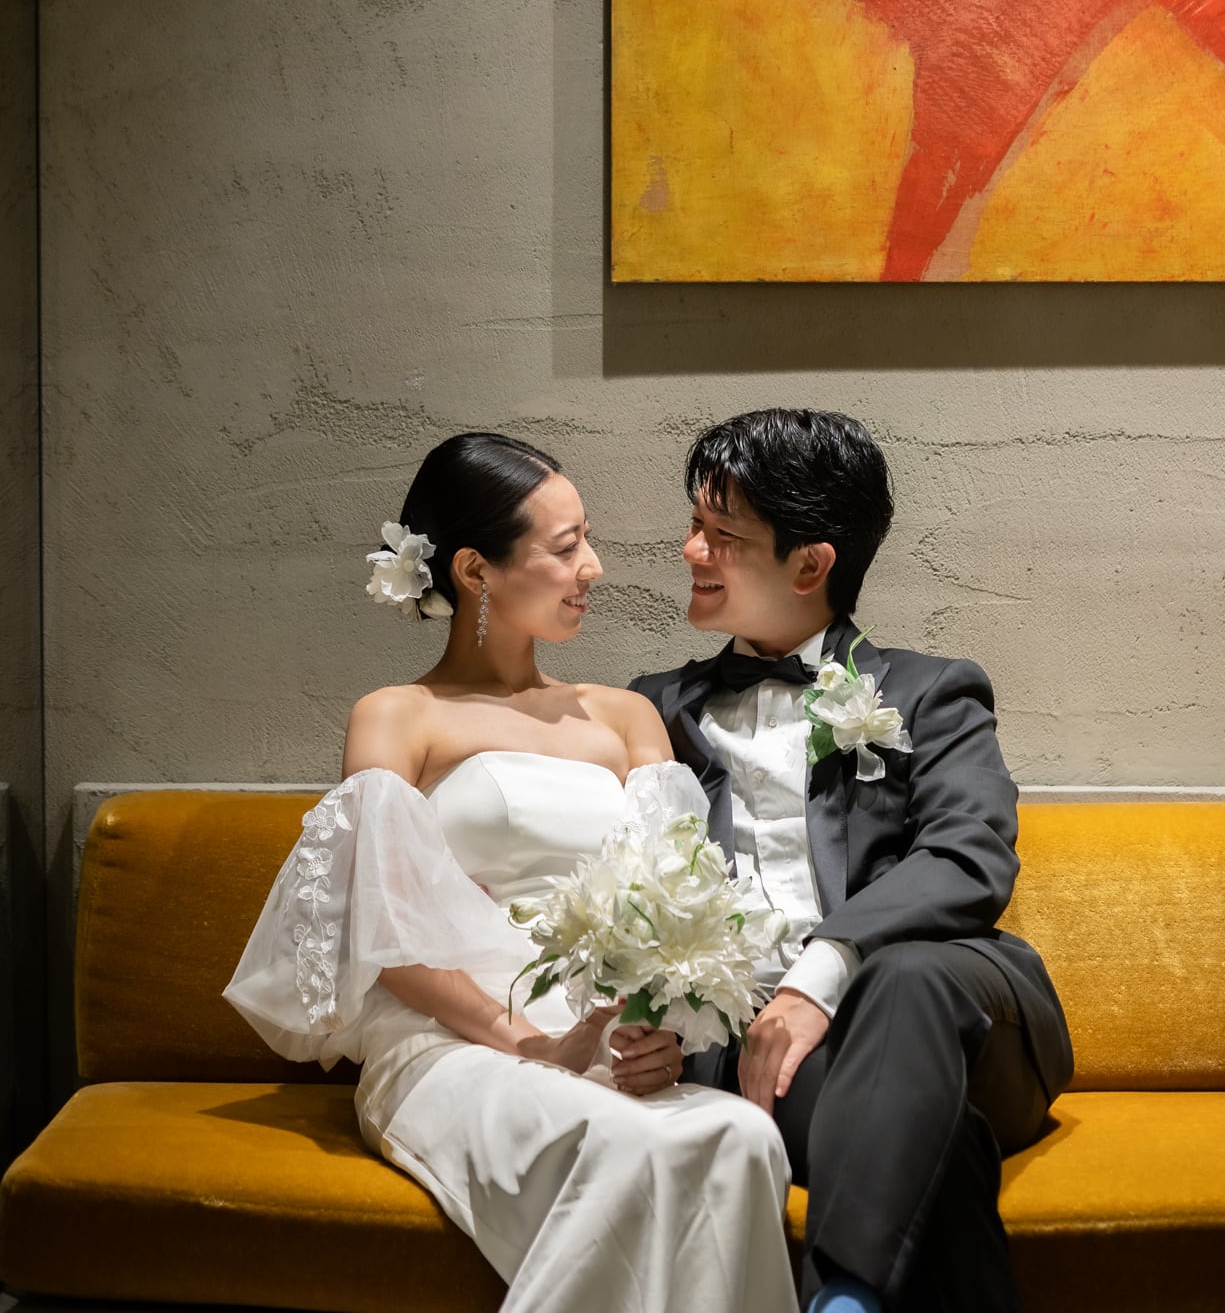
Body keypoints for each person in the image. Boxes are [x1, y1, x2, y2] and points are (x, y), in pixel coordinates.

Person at [224, 430, 799, 1313]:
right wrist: (528, 1042)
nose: (593, 568)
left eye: (586, 539)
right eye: (565, 548)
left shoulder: (625, 718)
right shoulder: (398, 717)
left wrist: (658, 1032)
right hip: (450, 1044)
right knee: (634, 1150)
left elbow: (676, 908)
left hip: (597, 1042)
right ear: (473, 570)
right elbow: (384, 931)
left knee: (744, 1138)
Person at [632, 408, 1073, 1313]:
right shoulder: (653, 710)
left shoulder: (930, 690)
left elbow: (968, 854)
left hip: (959, 1020)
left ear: (810, 564)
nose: (690, 550)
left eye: (721, 534)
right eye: (694, 525)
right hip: (755, 1048)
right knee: (936, 1143)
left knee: (904, 978)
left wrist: (821, 972)